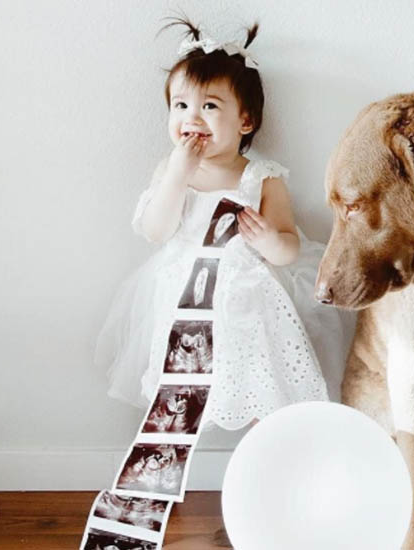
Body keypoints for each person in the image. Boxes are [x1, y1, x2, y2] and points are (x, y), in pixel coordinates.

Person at [95, 17, 350, 548]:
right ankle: (162, 493)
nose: (193, 118)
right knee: (180, 401)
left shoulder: (263, 176)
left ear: (246, 120)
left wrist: (265, 239)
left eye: (210, 106)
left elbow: (288, 246)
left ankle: (268, 489)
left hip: (249, 308)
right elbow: (155, 229)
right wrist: (175, 173)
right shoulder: (173, 171)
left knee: (267, 397)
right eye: (181, 106)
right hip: (185, 303)